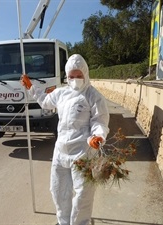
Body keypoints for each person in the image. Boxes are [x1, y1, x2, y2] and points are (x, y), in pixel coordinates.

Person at [21, 54, 110, 225]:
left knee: (83, 194)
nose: (75, 79)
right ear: (67, 76)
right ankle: (63, 222)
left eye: (78, 76)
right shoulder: (61, 93)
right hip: (61, 152)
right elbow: (46, 102)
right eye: (71, 76)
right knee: (58, 191)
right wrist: (31, 88)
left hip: (83, 153)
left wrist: (97, 136)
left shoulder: (93, 96)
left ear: (85, 74)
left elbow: (99, 120)